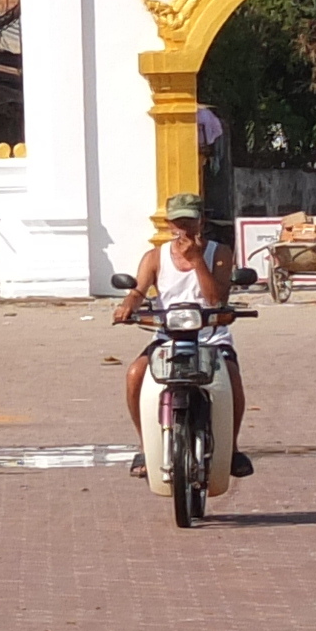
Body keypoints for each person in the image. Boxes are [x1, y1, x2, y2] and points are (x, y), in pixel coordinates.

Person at [115, 191, 248, 478]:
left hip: (211, 334)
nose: (185, 228)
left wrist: (198, 260)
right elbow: (139, 290)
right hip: (168, 335)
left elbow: (215, 299)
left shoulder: (219, 253)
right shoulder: (155, 257)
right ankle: (144, 446)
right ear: (170, 224)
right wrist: (128, 304)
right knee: (136, 373)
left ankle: (233, 449)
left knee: (232, 376)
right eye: (179, 222)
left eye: (191, 221)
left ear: (202, 221)